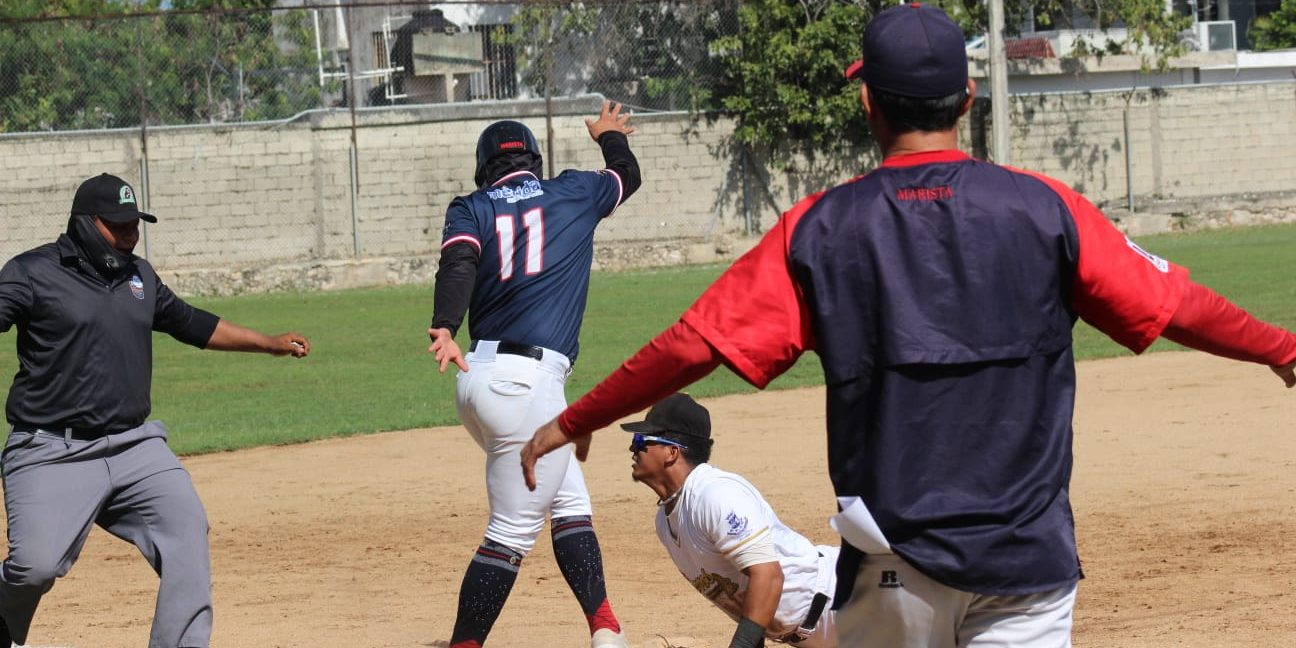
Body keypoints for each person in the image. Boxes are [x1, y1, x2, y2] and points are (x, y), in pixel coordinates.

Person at [519, 6, 1296, 648]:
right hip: (1023, 565)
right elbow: (1177, 303)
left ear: (868, 103)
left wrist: (578, 418)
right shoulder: (1045, 208)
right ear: (967, 100)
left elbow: (692, 342)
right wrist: (1282, 347)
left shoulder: (818, 230)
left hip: (892, 569)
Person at [0, 172, 310, 648]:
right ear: (86, 223)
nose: (131, 234)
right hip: (49, 450)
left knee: (186, 530)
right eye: (119, 225)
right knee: (35, 566)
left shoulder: (138, 275)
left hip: (133, 448)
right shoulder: (33, 272)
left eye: (135, 223)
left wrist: (268, 344)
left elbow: (189, 322)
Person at [427, 101, 642, 648]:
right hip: (528, 386)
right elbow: (626, 175)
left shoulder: (471, 206)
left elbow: (458, 264)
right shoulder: (572, 191)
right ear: (534, 159)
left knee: (570, 501)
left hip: (479, 378)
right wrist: (609, 136)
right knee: (510, 533)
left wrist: (446, 327)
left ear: (484, 171)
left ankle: (606, 631)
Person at [624, 393, 836, 648]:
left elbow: (767, 576)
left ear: (672, 452)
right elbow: (742, 596)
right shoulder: (665, 521)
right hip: (813, 635)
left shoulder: (715, 495)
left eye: (641, 441)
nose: (632, 449)